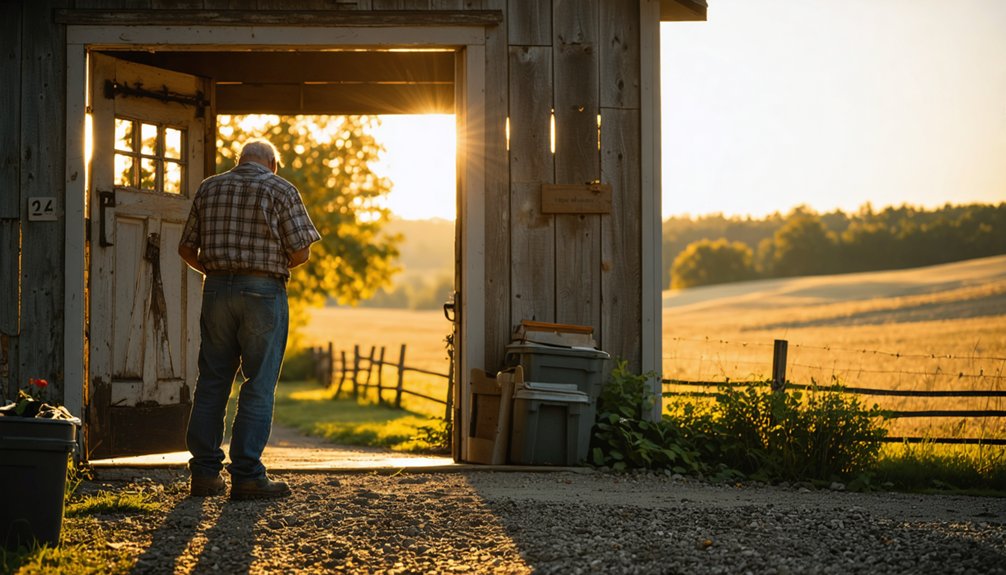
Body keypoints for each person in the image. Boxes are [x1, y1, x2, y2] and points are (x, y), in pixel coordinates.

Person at [178, 139, 321, 500]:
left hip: (216, 291)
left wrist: (215, 270)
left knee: (212, 380)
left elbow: (186, 248)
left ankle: (205, 474)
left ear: (238, 160)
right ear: (274, 163)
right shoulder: (282, 189)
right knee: (258, 382)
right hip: (263, 291)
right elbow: (301, 250)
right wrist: (265, 270)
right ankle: (247, 475)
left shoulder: (209, 187)